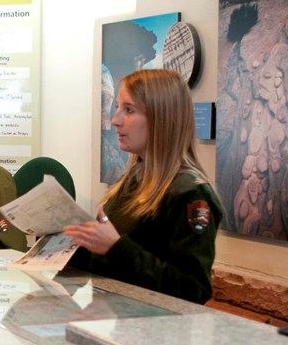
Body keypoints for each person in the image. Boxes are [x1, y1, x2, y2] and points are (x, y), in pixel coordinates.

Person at [64, 69, 223, 304]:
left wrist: (117, 248)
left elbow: (192, 289)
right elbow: (106, 259)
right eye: (117, 108)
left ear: (162, 118)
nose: (115, 120)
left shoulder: (190, 193)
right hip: (112, 323)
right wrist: (70, 243)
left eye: (129, 110)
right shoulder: (131, 181)